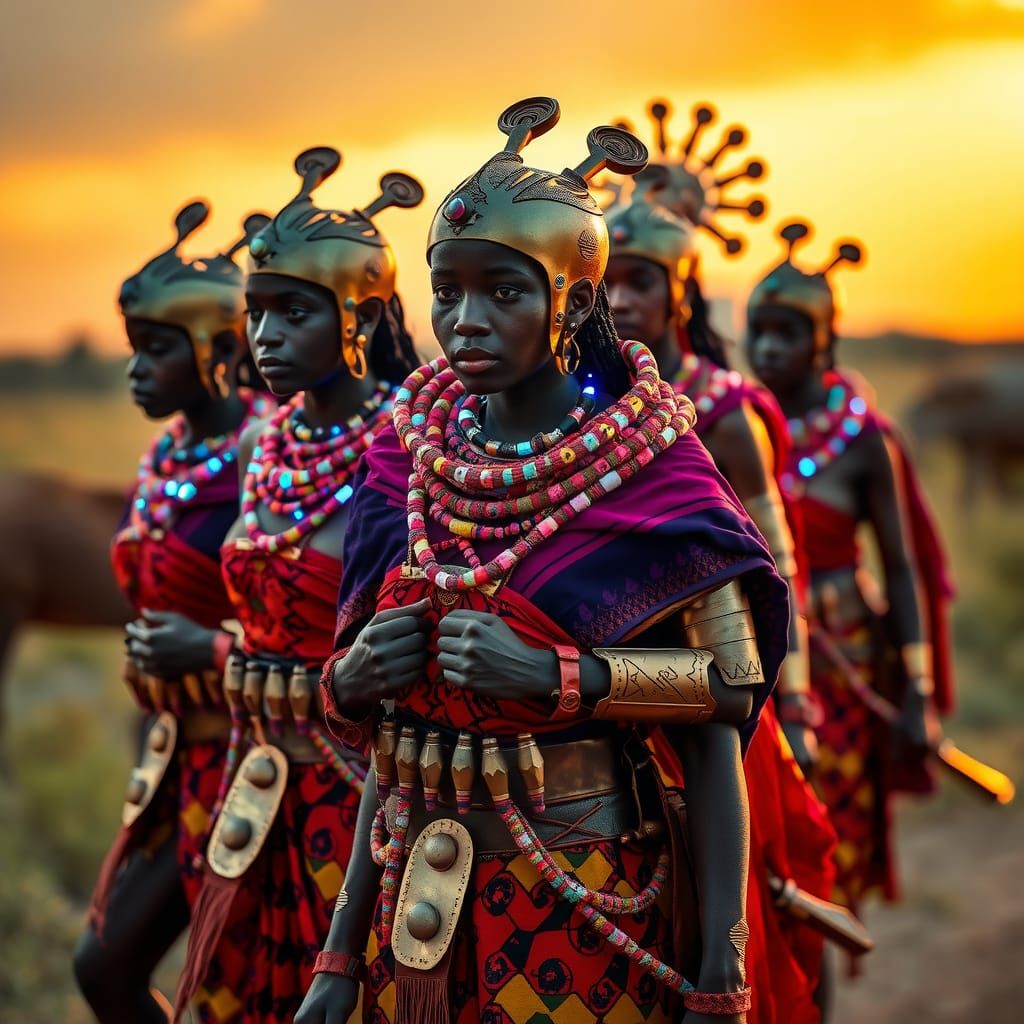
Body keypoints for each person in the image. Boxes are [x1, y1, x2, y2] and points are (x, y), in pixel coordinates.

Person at [298, 97, 789, 1024]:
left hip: (579, 896)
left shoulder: (651, 462)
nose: (467, 320)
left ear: (571, 299)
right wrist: (337, 953)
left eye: (505, 291)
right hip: (408, 907)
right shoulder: (405, 458)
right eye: (448, 291)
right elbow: (395, 744)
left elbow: (727, 695)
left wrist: (561, 675)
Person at [170, 147, 424, 1024]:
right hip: (251, 778)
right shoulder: (258, 443)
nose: (265, 338)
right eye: (257, 314)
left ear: (358, 314)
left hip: (360, 795)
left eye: (293, 313)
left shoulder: (409, 451)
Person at [604, 99, 838, 1024]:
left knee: (732, 900)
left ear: (682, 296)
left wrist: (799, 698)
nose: (619, 301)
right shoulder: (581, 401)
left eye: (640, 283)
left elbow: (778, 560)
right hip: (589, 683)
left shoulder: (724, 407)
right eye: (606, 282)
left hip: (716, 684)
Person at [74, 201, 271, 1024]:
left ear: (221, 350)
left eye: (157, 351)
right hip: (172, 763)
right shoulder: (167, 452)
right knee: (103, 967)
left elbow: (305, 618)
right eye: (134, 352)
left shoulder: (270, 450)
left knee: (236, 991)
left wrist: (212, 648)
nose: (137, 372)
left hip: (256, 757)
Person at [745, 221, 953, 918]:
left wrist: (918, 691)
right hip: (756, 659)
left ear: (823, 340)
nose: (770, 348)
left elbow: (902, 569)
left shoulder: (865, 442)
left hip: (844, 663)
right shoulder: (737, 428)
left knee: (822, 861)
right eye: (759, 331)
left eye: (787, 333)